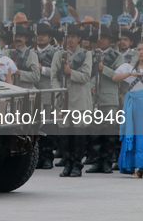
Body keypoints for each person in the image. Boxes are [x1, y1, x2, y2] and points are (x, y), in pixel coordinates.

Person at [51, 24, 92, 177]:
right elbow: (54, 77)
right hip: (63, 99)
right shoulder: (58, 55)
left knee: (78, 133)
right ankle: (67, 163)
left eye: (73, 37)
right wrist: (58, 92)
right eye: (68, 37)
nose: (70, 40)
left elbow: (86, 76)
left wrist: (71, 72)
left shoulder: (86, 54)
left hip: (79, 99)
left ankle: (77, 164)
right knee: (64, 133)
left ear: (79, 38)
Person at [87, 26, 123, 174]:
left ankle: (107, 162)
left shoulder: (117, 56)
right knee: (95, 132)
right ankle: (96, 161)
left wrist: (104, 69)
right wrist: (90, 85)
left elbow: (118, 76)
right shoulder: (90, 55)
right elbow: (86, 74)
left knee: (108, 132)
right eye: (99, 38)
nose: (101, 41)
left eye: (105, 38)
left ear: (110, 40)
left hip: (109, 97)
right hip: (95, 98)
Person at [112, 41, 143, 177]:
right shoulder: (130, 67)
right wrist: (130, 74)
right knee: (136, 135)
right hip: (135, 106)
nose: (141, 52)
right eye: (139, 49)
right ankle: (138, 167)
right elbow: (115, 78)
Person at [34, 23, 60, 169]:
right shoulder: (31, 52)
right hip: (34, 94)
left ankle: (48, 157)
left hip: (48, 93)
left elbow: (58, 73)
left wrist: (42, 69)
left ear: (50, 37)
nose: (41, 37)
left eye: (44, 34)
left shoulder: (55, 53)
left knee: (49, 126)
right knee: (36, 127)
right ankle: (37, 156)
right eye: (39, 34)